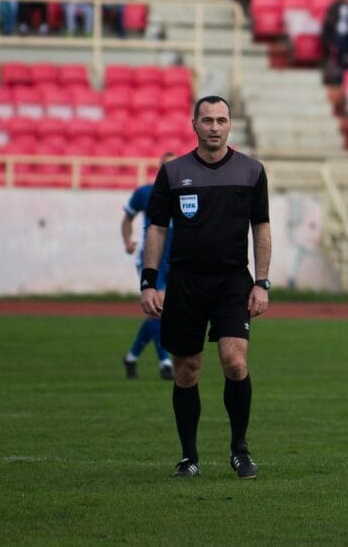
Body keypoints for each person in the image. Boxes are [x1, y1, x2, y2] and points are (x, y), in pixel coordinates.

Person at [141, 95, 271, 479]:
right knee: (187, 370)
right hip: (185, 281)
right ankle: (189, 457)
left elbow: (260, 227)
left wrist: (262, 282)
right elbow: (157, 228)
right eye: (207, 120)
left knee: (235, 362)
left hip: (233, 280)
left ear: (230, 125)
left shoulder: (252, 171)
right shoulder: (172, 172)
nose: (215, 127)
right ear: (193, 124)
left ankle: (240, 450)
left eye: (221, 120)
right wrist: (149, 281)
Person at [122, 153, 177, 380]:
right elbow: (127, 218)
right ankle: (165, 361)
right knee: (158, 308)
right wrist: (128, 241)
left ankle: (132, 356)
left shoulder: (186, 193)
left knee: (161, 312)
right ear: (159, 168)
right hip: (151, 258)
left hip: (175, 259)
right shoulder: (145, 193)